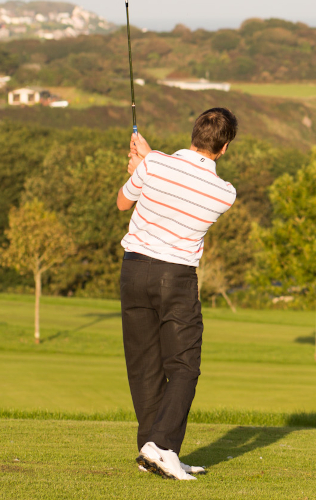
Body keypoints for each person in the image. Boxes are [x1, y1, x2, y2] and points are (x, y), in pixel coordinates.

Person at [116, 108, 238, 480]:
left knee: (144, 366)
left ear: (194, 133)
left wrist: (140, 165)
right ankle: (162, 445)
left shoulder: (154, 164)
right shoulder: (225, 193)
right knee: (184, 366)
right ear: (225, 147)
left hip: (133, 271)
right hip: (176, 277)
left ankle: (152, 449)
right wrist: (147, 162)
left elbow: (123, 203)